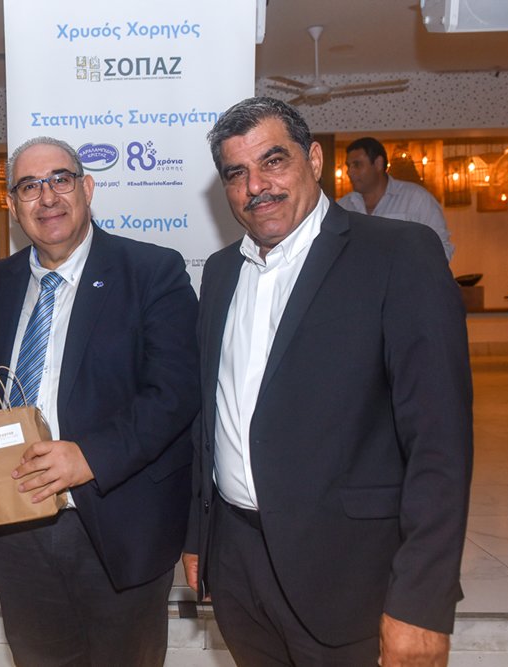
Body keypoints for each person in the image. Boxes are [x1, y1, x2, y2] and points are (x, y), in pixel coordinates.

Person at [182, 98, 473, 666]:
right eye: (237, 173)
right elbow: (210, 418)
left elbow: (439, 444)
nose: (256, 186)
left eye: (273, 161)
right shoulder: (220, 273)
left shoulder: (399, 254)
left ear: (313, 160)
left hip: (350, 578)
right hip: (239, 571)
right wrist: (200, 538)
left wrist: (422, 601)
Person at [0, 136, 199, 666]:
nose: (47, 197)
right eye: (29, 186)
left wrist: (88, 456)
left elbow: (175, 392)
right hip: (17, 525)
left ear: (87, 188)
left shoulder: (152, 271)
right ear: (12, 206)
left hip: (116, 524)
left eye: (60, 179)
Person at [338, 136, 455, 261]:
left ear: (378, 164)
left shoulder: (416, 199)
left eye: (357, 165)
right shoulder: (343, 207)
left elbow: (441, 249)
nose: (349, 172)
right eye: (348, 166)